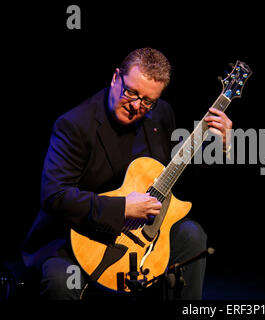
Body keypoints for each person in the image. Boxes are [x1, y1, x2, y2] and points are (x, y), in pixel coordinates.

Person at [22, 48, 232, 300]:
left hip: (139, 236)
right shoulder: (74, 125)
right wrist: (122, 207)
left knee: (191, 234)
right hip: (75, 236)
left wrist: (220, 146)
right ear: (115, 78)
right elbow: (55, 196)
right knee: (61, 280)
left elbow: (179, 170)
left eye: (147, 101)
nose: (135, 105)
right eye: (130, 92)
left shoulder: (161, 114)